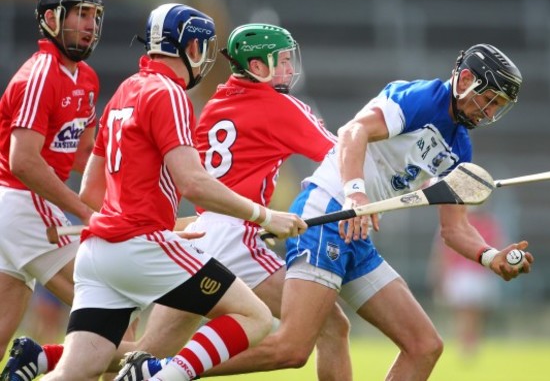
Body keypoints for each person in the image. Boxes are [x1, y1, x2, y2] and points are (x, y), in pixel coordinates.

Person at [124, 43, 535, 379]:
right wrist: (357, 196)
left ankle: (154, 367)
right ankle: (163, 372)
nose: (490, 110)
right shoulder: (420, 98)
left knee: (424, 346)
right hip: (330, 211)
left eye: (499, 105)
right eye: (488, 97)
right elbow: (353, 132)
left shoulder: (460, 147)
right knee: (292, 347)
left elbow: (454, 229)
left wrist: (490, 257)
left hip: (357, 233)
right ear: (464, 80)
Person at [2, 24, 351, 381]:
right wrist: (353, 191)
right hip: (232, 235)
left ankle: (46, 357)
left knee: (146, 350)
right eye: (282, 62)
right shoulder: (269, 105)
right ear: (258, 67)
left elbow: (106, 186)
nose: (289, 70)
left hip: (195, 231)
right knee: (305, 332)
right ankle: (163, 375)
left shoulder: (214, 101)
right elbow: (342, 152)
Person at [0, 0, 103, 367]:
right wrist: (84, 210)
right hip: (22, 201)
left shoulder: (86, 78)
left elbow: (85, 154)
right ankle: (41, 362)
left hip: (19, 209)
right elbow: (23, 161)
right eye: (80, 13)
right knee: (107, 307)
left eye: (94, 15)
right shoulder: (41, 74)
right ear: (50, 19)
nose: (90, 24)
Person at [429, 208, 505, 359]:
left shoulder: (489, 223)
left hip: (479, 273)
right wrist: (441, 273)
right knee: (464, 311)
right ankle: (465, 344)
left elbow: (496, 246)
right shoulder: (452, 222)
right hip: (460, 272)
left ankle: (470, 343)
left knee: (474, 311)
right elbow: (442, 251)